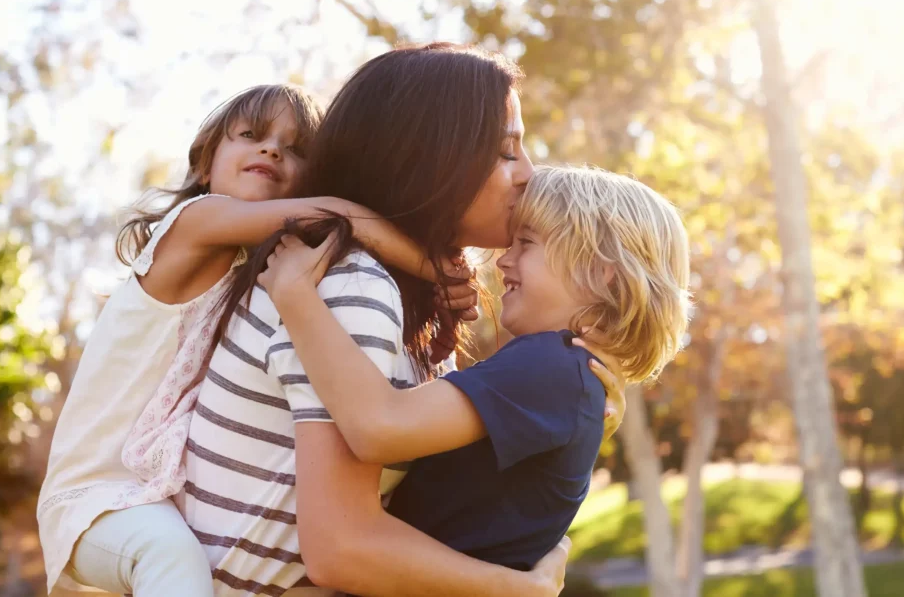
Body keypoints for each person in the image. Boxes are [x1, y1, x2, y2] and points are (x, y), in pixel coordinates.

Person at [183, 43, 625, 597]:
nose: (528, 174)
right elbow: (343, 550)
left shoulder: (388, 293)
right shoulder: (350, 286)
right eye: (506, 150)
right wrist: (519, 590)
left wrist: (566, 412)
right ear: (431, 156)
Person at [36, 84, 459, 597]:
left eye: (296, 147)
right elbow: (337, 217)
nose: (272, 150)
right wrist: (438, 273)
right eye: (252, 135)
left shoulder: (258, 272)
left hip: (157, 493)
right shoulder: (193, 223)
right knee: (169, 557)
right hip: (94, 497)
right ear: (203, 165)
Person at [262, 164, 692, 572]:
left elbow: (378, 426)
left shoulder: (551, 365)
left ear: (602, 274)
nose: (503, 260)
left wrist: (295, 294)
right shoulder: (570, 375)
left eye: (527, 243)